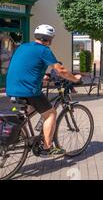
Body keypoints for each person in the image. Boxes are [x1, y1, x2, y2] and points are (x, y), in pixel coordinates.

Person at [6, 24, 82, 158]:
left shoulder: (23, 47)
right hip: (28, 91)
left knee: (31, 111)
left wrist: (42, 77)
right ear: (50, 39)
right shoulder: (44, 50)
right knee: (51, 113)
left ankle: (21, 134)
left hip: (12, 88)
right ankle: (47, 148)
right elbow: (61, 70)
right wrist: (75, 79)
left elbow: (26, 67)